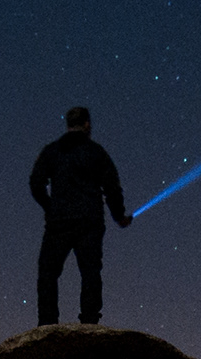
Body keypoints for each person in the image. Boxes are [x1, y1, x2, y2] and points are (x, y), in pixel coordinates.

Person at [28, 105, 131, 325]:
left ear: (68, 124)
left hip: (59, 222)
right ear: (87, 124)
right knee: (90, 271)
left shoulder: (52, 151)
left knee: (48, 272)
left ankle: (47, 323)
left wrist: (51, 206)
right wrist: (119, 216)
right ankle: (90, 321)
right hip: (89, 221)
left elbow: (36, 183)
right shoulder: (96, 152)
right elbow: (112, 187)